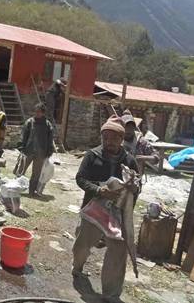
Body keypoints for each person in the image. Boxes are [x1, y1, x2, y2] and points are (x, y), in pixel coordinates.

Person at [72, 115, 139, 302]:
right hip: (94, 208)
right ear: (102, 138)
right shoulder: (92, 155)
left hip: (117, 213)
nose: (109, 142)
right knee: (82, 245)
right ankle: (77, 267)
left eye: (114, 138)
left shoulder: (129, 160)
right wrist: (99, 190)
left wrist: (134, 188)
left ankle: (111, 294)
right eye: (106, 138)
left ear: (121, 139)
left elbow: (137, 184)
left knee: (118, 250)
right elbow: (80, 179)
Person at [18, 103, 54, 195]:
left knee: (36, 174)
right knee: (21, 170)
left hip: (41, 153)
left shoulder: (47, 124)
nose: (37, 114)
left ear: (43, 113)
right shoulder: (30, 122)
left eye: (39, 112)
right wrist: (21, 146)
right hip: (28, 151)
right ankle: (16, 188)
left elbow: (50, 139)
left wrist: (49, 150)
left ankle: (31, 191)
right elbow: (24, 134)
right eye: (36, 112)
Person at [121, 109, 159, 174]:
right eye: (125, 127)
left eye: (130, 127)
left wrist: (142, 158)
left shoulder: (141, 142)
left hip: (136, 177)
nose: (128, 130)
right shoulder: (116, 139)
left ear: (134, 128)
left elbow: (156, 158)